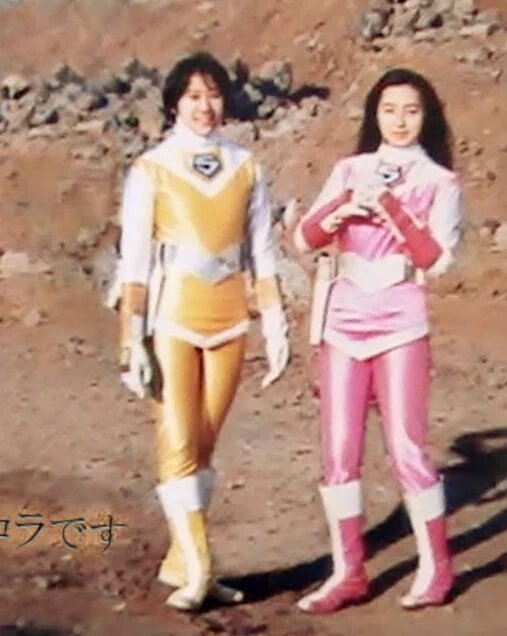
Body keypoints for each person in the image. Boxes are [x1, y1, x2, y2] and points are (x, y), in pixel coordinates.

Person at [114, 52, 289, 611]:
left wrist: (276, 321)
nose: (204, 106)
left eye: (212, 94)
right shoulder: (151, 169)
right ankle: (201, 568)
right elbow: (135, 262)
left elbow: (262, 250)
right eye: (193, 95)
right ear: (174, 103)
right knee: (179, 439)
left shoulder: (246, 166)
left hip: (230, 318)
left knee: (204, 442)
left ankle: (180, 558)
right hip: (171, 317)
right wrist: (130, 339)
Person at [292, 68, 462, 614]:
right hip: (343, 322)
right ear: (374, 115)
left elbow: (437, 259)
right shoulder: (350, 169)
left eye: (411, 110)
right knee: (338, 451)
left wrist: (392, 209)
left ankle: (437, 568)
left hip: (401, 323)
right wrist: (342, 206)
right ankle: (349, 572)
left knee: (407, 447)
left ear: (427, 116)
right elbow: (303, 237)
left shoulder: (440, 180)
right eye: (389, 109)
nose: (400, 120)